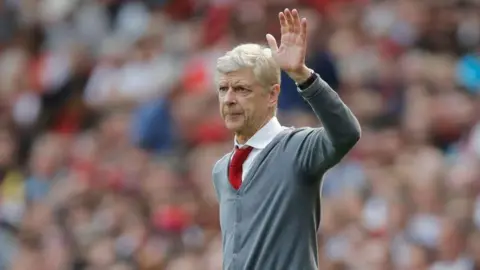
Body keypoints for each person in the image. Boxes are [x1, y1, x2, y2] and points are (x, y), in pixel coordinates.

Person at [211, 8, 361, 270]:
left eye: (241, 89)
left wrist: (303, 76)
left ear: (272, 95)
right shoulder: (221, 169)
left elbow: (346, 133)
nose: (229, 99)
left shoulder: (298, 148)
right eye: (224, 89)